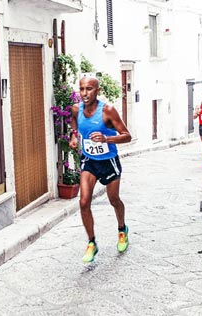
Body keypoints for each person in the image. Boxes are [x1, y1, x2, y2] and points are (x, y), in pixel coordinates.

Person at [69, 76, 132, 263]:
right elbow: (73, 120)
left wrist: (106, 139)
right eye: (81, 89)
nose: (84, 93)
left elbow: (127, 136)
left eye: (89, 89)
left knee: (113, 199)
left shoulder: (108, 111)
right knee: (83, 202)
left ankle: (122, 229)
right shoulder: (75, 109)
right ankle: (91, 243)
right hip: (89, 160)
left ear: (97, 91)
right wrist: (74, 136)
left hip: (108, 161)